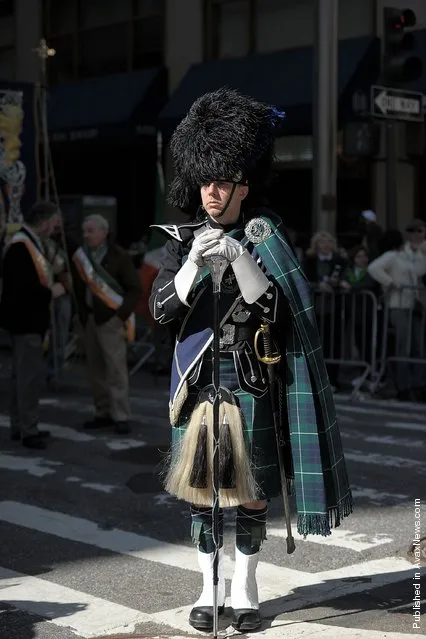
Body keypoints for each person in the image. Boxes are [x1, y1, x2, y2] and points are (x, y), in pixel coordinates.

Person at [149, 89, 353, 633]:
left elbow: (276, 308)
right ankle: (206, 587)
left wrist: (240, 257)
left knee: (253, 492)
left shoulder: (267, 237)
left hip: (251, 379)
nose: (212, 192)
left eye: (223, 181)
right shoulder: (179, 239)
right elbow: (162, 311)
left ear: (244, 183)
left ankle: (246, 588)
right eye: (205, 180)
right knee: (201, 492)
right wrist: (194, 260)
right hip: (196, 385)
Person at [0, 201, 62, 449]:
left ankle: (20, 425)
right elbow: (22, 289)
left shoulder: (27, 242)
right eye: (54, 223)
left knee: (22, 377)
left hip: (26, 321)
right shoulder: (21, 246)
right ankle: (28, 429)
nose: (55, 229)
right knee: (28, 378)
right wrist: (51, 292)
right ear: (44, 221)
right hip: (25, 322)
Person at [72, 214, 141, 434]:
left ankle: (120, 415)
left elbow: (134, 289)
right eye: (84, 231)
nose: (86, 235)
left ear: (104, 232)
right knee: (95, 370)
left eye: (90, 230)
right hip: (90, 319)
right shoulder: (81, 257)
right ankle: (102, 412)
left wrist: (120, 316)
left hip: (111, 320)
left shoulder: (119, 256)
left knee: (116, 369)